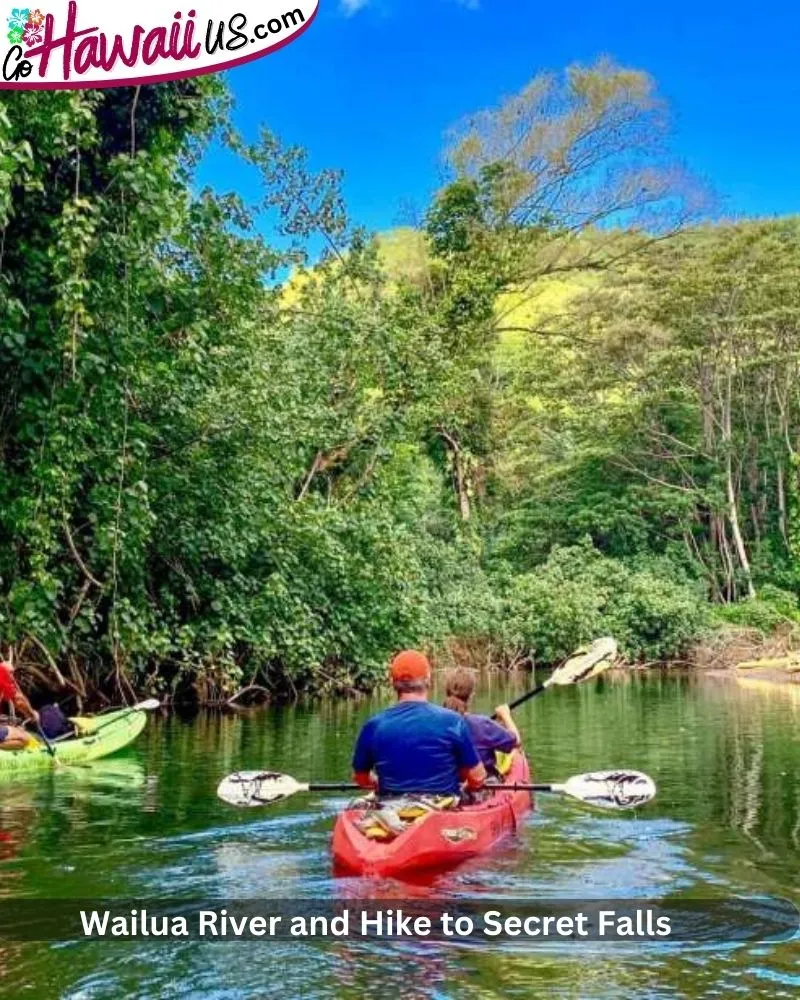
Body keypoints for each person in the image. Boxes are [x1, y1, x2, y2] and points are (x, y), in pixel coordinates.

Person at [352, 650, 486, 797]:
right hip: (441, 808)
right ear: (428, 679)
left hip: (390, 807)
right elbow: (478, 777)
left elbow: (361, 778)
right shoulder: (453, 721)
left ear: (393, 683)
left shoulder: (373, 726)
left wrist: (378, 783)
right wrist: (466, 787)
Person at [443, 667, 521, 774]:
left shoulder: (436, 723)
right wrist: (505, 715)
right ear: (471, 695)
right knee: (516, 753)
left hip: (449, 784)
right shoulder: (482, 724)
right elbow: (516, 742)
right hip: (483, 786)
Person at [0, 659, 40, 751]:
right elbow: (19, 701)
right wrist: (32, 714)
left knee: (15, 730)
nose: (12, 677)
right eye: (11, 673)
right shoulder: (2, 673)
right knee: (24, 739)